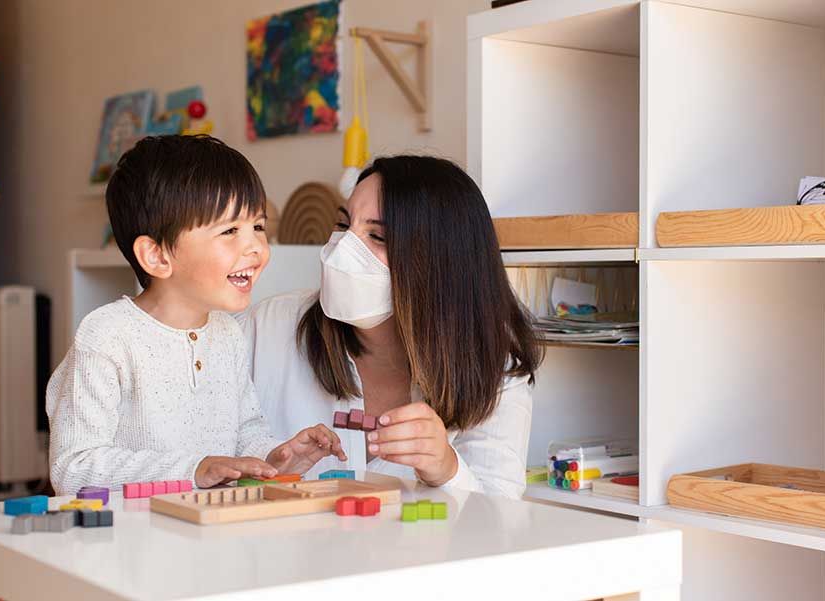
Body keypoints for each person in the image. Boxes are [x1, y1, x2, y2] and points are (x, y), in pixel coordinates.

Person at [47, 135, 345, 495]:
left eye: (258, 227)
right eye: (231, 230)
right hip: (129, 543)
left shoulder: (226, 333)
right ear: (157, 256)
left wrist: (275, 457)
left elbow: (243, 434)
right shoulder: (107, 336)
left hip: (206, 536)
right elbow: (74, 467)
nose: (256, 247)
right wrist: (195, 469)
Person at [239, 155, 541, 499]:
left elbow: (499, 521)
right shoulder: (267, 326)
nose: (342, 250)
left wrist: (446, 468)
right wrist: (264, 471)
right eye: (343, 226)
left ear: (440, 262)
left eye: (377, 236)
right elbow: (197, 462)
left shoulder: (494, 366)